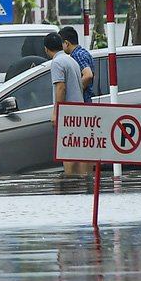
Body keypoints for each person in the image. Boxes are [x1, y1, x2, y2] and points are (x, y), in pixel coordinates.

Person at [42, 32, 87, 175]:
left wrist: (56, 113)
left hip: (68, 112)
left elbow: (60, 87)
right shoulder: (71, 60)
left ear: (46, 49)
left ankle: (70, 180)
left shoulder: (57, 63)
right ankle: (82, 178)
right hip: (78, 109)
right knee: (79, 150)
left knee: (67, 150)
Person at [60, 26, 96, 102]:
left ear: (66, 43)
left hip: (83, 99)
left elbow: (88, 75)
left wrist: (76, 90)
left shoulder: (77, 55)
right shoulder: (84, 52)